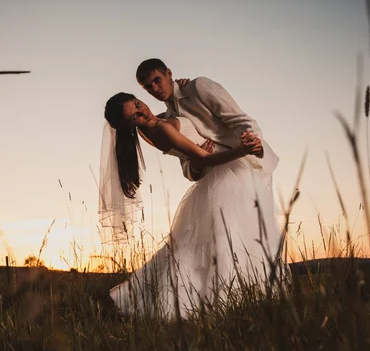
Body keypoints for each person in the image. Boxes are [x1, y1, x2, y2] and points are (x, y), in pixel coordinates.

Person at [99, 61, 280, 319]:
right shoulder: (158, 125)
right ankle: (232, 303)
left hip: (249, 162)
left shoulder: (196, 89)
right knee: (229, 241)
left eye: (157, 81)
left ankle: (250, 298)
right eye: (148, 86)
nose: (154, 89)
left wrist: (252, 144)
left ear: (169, 74)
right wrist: (198, 161)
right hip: (225, 172)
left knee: (250, 236)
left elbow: (240, 118)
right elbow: (190, 166)